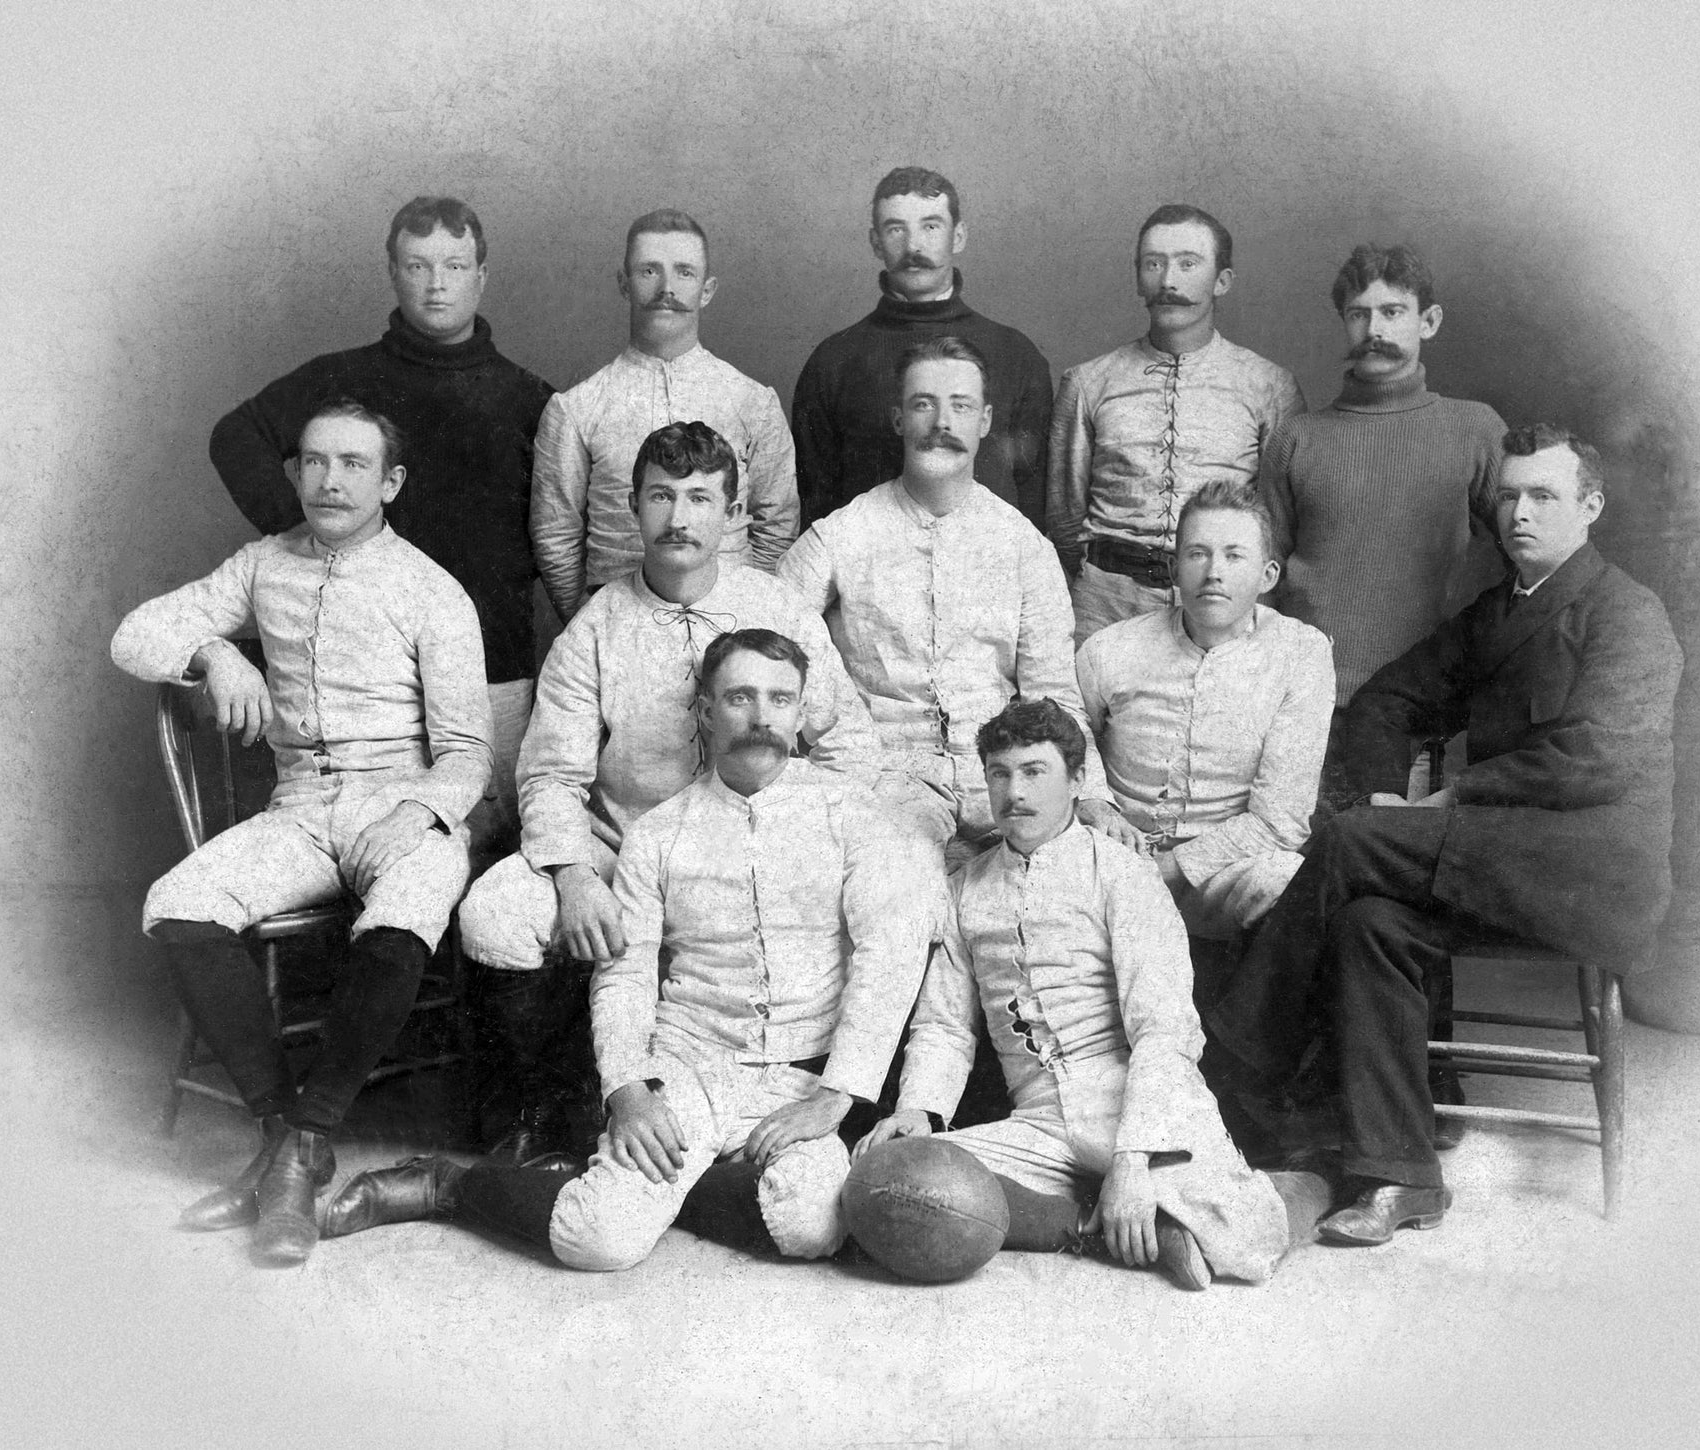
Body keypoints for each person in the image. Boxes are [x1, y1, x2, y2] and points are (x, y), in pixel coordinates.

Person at [319, 630, 941, 1270]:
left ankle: (651, 1190)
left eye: (780, 700)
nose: (761, 718)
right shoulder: (659, 834)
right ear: (704, 710)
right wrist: (627, 1091)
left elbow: (886, 957)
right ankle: (444, 1185)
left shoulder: (854, 817)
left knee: (811, 1226)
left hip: (802, 1076)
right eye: (739, 698)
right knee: (598, 1241)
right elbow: (626, 976)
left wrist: (836, 1097)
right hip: (692, 1064)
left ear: (804, 713)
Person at [1200, 426, 1682, 1245]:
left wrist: (1447, 800)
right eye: (1507, 496)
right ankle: (1403, 1175)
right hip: (1486, 863)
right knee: (1368, 923)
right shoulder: (1496, 613)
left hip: (1589, 869)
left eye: (1543, 497)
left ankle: (1232, 1059)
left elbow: (1597, 759)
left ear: (1591, 509)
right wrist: (1394, 789)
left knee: (1353, 842)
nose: (1518, 513)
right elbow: (1389, 699)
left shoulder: (1628, 615)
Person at [113, 400, 492, 1265]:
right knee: (178, 902)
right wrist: (217, 653)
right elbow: (135, 635)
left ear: (390, 482)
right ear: (294, 474)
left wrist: (419, 814)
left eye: (355, 464)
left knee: (412, 901)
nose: (330, 480)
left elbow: (469, 753)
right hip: (298, 809)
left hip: (402, 804)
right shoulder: (260, 565)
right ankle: (290, 1136)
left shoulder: (431, 589)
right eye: (315, 461)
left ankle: (300, 1136)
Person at [458, 421, 880, 1161]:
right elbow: (552, 773)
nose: (679, 519)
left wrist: (806, 842)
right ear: (632, 506)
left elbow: (847, 745)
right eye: (661, 496)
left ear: (731, 512)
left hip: (755, 849)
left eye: (699, 498)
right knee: (495, 913)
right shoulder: (596, 627)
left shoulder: (778, 609)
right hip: (626, 852)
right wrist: (575, 873)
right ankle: (542, 1108)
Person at [858, 699, 1331, 1290]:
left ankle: (1308, 1186)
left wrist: (1133, 1161)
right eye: (1000, 774)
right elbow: (946, 1026)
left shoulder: (1122, 873)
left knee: (1241, 1235)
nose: (1014, 792)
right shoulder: (964, 888)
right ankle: (1098, 1224)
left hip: (1136, 1104)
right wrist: (917, 1111)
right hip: (1037, 1119)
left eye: (1034, 772)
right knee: (901, 1181)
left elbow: (1162, 1030)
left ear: (1077, 781)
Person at [208, 197, 550, 852]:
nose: (436, 282)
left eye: (454, 264)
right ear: (392, 271)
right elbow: (236, 437)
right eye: (417, 265)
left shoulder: (532, 400)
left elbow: (563, 530)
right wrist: (307, 537)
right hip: (364, 674)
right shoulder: (346, 377)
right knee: (368, 852)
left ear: (482, 274)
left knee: (482, 852)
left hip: (491, 668)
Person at [782, 337, 1124, 867]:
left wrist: (1095, 796)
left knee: (1082, 877)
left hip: (1000, 775)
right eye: (924, 404)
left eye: (960, 405)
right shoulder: (839, 536)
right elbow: (774, 652)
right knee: (901, 886)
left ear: (985, 420)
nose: (941, 422)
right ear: (899, 420)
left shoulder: (1023, 546)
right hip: (885, 782)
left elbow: (1053, 693)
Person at [1076, 481, 1334, 959]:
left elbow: (1281, 820)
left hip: (1223, 871)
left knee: (1285, 881)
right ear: (1175, 569)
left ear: (1269, 574)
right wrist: (1096, 804)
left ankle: (1242, 1032)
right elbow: (1069, 736)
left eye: (1235, 556)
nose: (1214, 572)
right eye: (1197, 554)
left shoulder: (1301, 654)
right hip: (1110, 861)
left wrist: (1169, 868)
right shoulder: (1109, 648)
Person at [1256, 242, 1506, 714]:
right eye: (1358, 315)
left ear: (1428, 322)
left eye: (1392, 312)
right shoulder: (1297, 437)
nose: (1374, 330)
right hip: (1303, 698)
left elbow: (1528, 560)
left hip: (1419, 701)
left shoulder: (1475, 429)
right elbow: (1262, 580)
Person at [1049, 205, 1305, 643]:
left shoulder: (1269, 386)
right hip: (1104, 606)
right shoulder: (1088, 382)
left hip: (1223, 606)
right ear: (1137, 278)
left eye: (1188, 263)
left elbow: (1279, 521)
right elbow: (1066, 517)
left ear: (1222, 280)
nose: (1168, 281)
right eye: (1154, 264)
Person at [532, 209, 798, 623]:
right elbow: (555, 533)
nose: (667, 288)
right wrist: (589, 622)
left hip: (734, 623)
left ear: (707, 289)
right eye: (649, 271)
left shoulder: (753, 402)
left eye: (685, 272)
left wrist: (748, 616)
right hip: (616, 620)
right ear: (624, 283)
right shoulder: (576, 408)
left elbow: (777, 523)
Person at [791, 166, 1053, 526]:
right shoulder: (833, 361)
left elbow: (1034, 499)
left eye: (931, 226)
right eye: (896, 229)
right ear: (875, 242)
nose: (913, 246)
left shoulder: (1016, 355)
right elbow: (814, 505)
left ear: (958, 236)